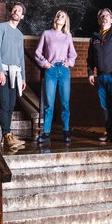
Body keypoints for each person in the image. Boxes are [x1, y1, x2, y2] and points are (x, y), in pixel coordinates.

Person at [35, 10, 77, 143]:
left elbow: (73, 54)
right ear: (55, 18)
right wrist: (45, 63)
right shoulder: (46, 34)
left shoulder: (68, 36)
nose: (59, 17)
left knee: (65, 102)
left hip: (64, 71)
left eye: (63, 16)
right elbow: (37, 52)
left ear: (65, 21)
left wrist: (68, 63)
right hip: (51, 71)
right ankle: (46, 132)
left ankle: (66, 130)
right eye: (58, 15)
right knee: (49, 103)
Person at [87, 8, 112, 144]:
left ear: (111, 20)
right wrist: (90, 73)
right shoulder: (94, 38)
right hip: (101, 78)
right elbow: (90, 58)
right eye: (101, 16)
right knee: (106, 108)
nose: (104, 17)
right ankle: (110, 133)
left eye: (107, 16)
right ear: (99, 20)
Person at [0, 2, 27, 149]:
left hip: (16, 73)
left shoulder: (19, 35)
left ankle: (7, 136)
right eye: (14, 9)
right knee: (4, 103)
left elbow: (21, 56)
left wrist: (23, 77)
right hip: (3, 71)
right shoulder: (1, 27)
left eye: (19, 11)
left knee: (11, 105)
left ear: (22, 16)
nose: (16, 11)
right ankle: (7, 134)